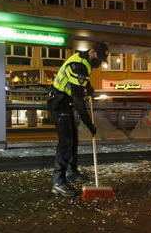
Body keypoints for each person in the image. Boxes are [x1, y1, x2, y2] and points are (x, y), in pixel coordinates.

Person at [47, 42, 109, 196]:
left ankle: (72, 171)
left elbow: (82, 80)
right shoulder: (78, 65)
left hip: (65, 102)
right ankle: (58, 182)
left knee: (73, 139)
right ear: (92, 51)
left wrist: (89, 87)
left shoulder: (84, 61)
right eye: (99, 58)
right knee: (66, 142)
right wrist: (90, 125)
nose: (99, 63)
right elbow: (79, 103)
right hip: (59, 103)